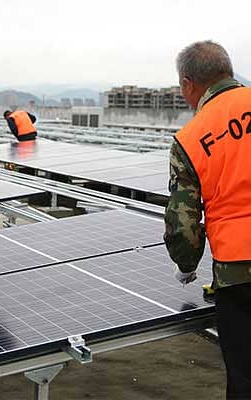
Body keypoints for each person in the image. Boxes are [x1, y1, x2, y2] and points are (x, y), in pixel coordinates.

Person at [164, 40, 251, 399]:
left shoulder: (191, 137)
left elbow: (183, 219)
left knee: (245, 378)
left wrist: (186, 264)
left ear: (188, 84)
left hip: (240, 273)